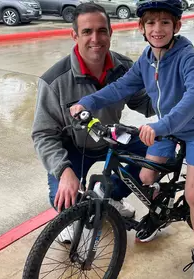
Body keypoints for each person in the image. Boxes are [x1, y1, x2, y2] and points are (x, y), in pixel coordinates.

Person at [69, 0, 194, 279]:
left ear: (177, 26)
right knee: (146, 175)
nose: (157, 29)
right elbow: (121, 86)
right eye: (150, 23)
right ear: (142, 27)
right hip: (164, 127)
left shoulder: (188, 57)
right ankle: (159, 212)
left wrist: (161, 125)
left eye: (164, 22)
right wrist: (87, 101)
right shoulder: (147, 58)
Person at [32, 3, 155, 242]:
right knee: (65, 198)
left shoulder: (125, 69)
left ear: (110, 33)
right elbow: (43, 134)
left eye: (102, 31)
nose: (95, 38)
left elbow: (145, 104)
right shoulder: (54, 81)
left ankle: (111, 199)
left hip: (112, 139)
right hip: (74, 147)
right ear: (74, 35)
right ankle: (71, 216)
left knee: (155, 154)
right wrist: (63, 171)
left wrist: (176, 95)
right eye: (87, 32)